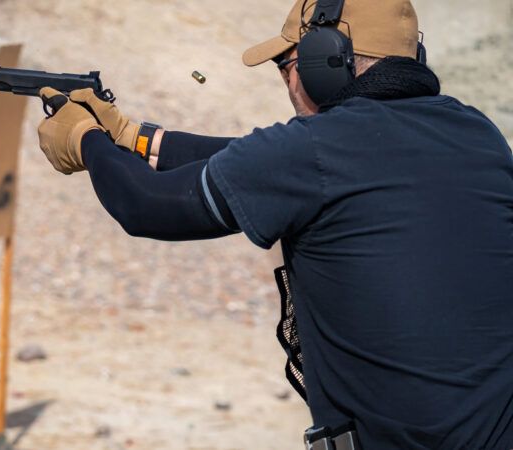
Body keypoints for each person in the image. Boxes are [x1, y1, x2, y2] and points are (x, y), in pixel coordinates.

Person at [35, 0, 513, 448]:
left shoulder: (318, 152)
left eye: (289, 65)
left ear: (326, 61)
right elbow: (268, 163)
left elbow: (146, 204)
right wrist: (131, 137)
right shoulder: (479, 136)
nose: (287, 82)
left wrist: (87, 139)